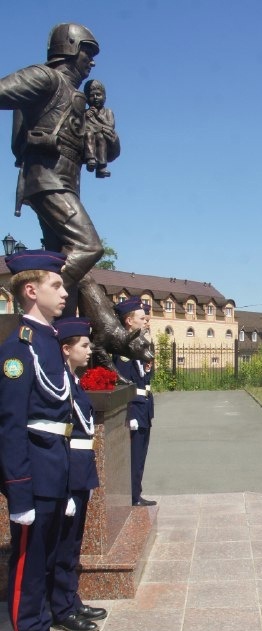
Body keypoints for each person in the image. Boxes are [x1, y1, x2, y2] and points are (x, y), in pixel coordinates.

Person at [0, 250, 85, 631]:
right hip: (33, 472)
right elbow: (11, 425)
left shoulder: (50, 342)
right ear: (31, 291)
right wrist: (18, 491)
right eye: (57, 285)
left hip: (56, 466)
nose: (65, 291)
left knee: (48, 558)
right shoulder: (19, 350)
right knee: (29, 566)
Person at [0, 23, 104, 298]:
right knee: (88, 246)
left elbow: (92, 147)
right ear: (70, 47)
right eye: (87, 52)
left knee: (60, 256)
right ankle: (42, 300)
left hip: (66, 181)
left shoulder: (76, 95)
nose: (91, 61)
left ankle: (62, 334)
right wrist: (39, 140)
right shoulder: (45, 78)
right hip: (47, 180)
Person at [49, 317, 107, 631]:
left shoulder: (73, 379)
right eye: (83, 345)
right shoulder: (60, 382)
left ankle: (70, 599)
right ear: (66, 349)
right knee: (64, 542)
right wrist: (69, 483)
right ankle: (62, 607)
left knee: (74, 543)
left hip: (81, 466)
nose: (89, 350)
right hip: (71, 468)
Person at [112, 298, 156, 507]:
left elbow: (147, 376)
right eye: (141, 318)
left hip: (144, 407)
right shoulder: (122, 348)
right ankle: (131, 496)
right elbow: (122, 382)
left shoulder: (140, 346)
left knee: (140, 455)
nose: (145, 321)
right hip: (134, 409)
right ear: (129, 321)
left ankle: (136, 493)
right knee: (133, 455)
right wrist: (128, 413)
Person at [84, 79, 120, 178]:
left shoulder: (108, 112)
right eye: (92, 95)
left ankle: (101, 167)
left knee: (100, 137)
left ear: (104, 96)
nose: (95, 98)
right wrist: (85, 116)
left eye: (98, 95)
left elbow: (111, 126)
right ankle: (91, 159)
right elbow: (79, 124)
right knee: (89, 134)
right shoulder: (86, 112)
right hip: (88, 134)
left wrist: (98, 116)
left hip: (103, 136)